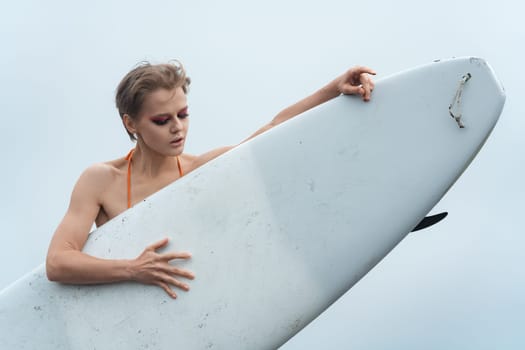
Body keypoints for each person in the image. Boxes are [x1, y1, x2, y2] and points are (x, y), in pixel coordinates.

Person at [46, 61, 376, 299]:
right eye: (162, 120)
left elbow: (271, 132)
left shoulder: (197, 171)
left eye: (183, 114)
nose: (178, 127)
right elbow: (58, 261)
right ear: (131, 124)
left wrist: (334, 88)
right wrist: (133, 269)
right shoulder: (101, 180)